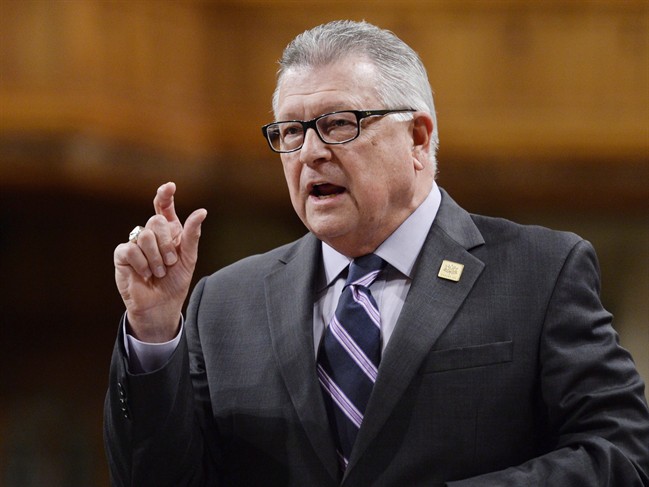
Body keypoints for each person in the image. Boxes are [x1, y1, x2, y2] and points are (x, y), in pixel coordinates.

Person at [104, 20, 649, 486]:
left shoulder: (541, 271)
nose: (310, 153)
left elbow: (622, 453)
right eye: (291, 132)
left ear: (417, 138)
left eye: (339, 124)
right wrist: (152, 331)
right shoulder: (222, 304)